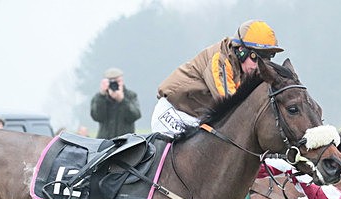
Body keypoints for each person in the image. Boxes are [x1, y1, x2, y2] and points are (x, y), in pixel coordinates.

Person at [152, 19, 283, 135]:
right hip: (173, 112)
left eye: (267, 59)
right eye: (256, 58)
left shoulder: (247, 69)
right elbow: (231, 106)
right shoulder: (220, 61)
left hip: (197, 118)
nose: (260, 66)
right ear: (241, 51)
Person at [90, 67, 142, 139]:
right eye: (111, 82)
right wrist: (102, 96)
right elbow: (97, 117)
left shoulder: (130, 95)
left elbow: (135, 115)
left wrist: (122, 100)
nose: (114, 85)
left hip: (125, 142)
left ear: (122, 81)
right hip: (105, 142)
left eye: (117, 81)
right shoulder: (99, 97)